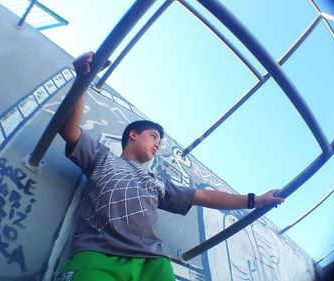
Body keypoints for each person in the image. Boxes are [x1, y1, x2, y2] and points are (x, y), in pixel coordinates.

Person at [58, 52, 285, 281]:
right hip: (97, 257)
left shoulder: (157, 183)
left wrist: (254, 200)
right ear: (133, 135)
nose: (157, 143)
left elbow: (203, 195)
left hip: (153, 265)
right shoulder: (102, 157)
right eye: (153, 136)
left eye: (159, 140)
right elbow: (68, 131)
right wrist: (83, 79)